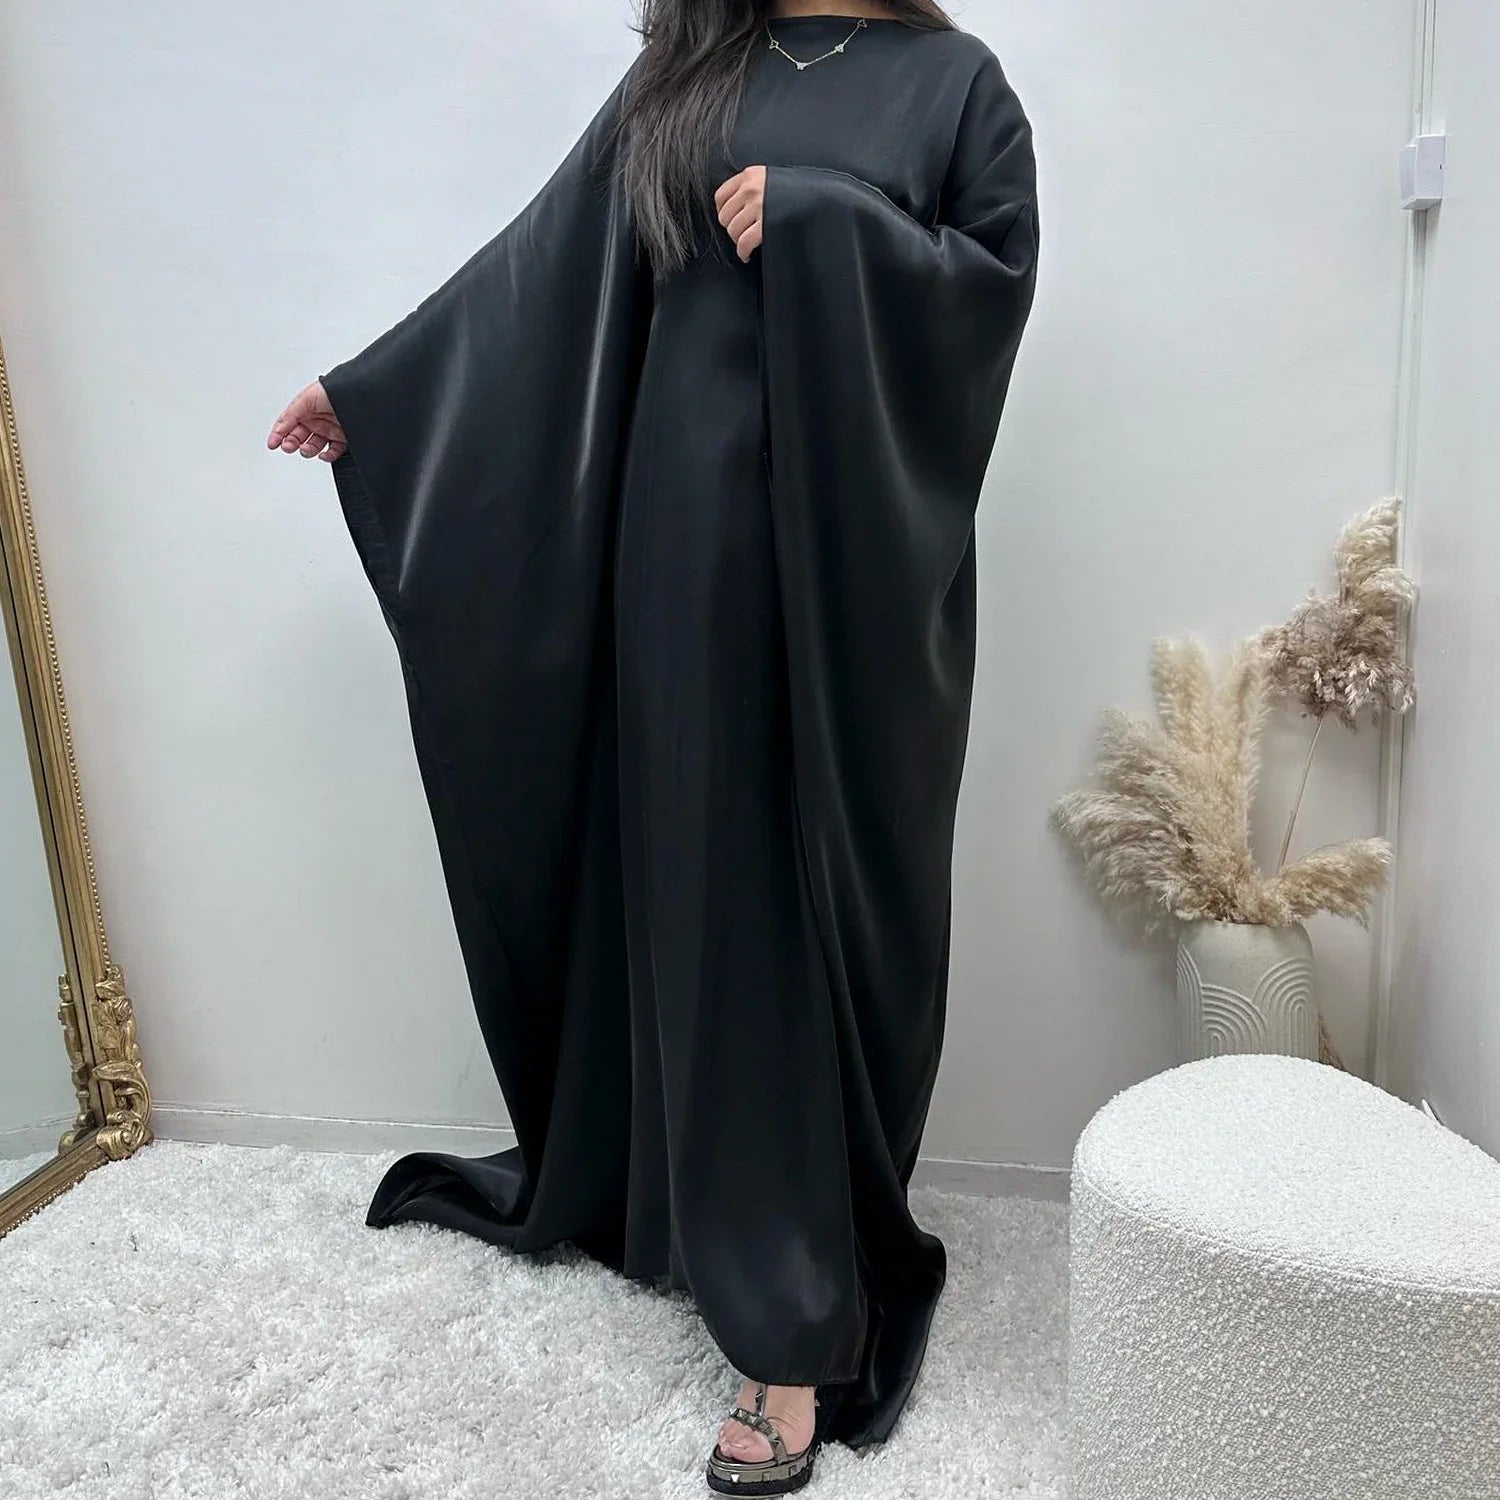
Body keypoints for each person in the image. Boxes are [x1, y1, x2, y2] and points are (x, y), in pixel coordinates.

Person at [267, 1, 1038, 1491]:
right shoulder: (686, 76)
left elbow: (988, 293)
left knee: (811, 903)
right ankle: (765, 1288)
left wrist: (827, 224)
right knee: (711, 891)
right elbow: (542, 276)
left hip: (855, 584)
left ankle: (809, 1272)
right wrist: (378, 396)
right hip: (687, 553)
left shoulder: (957, 86)